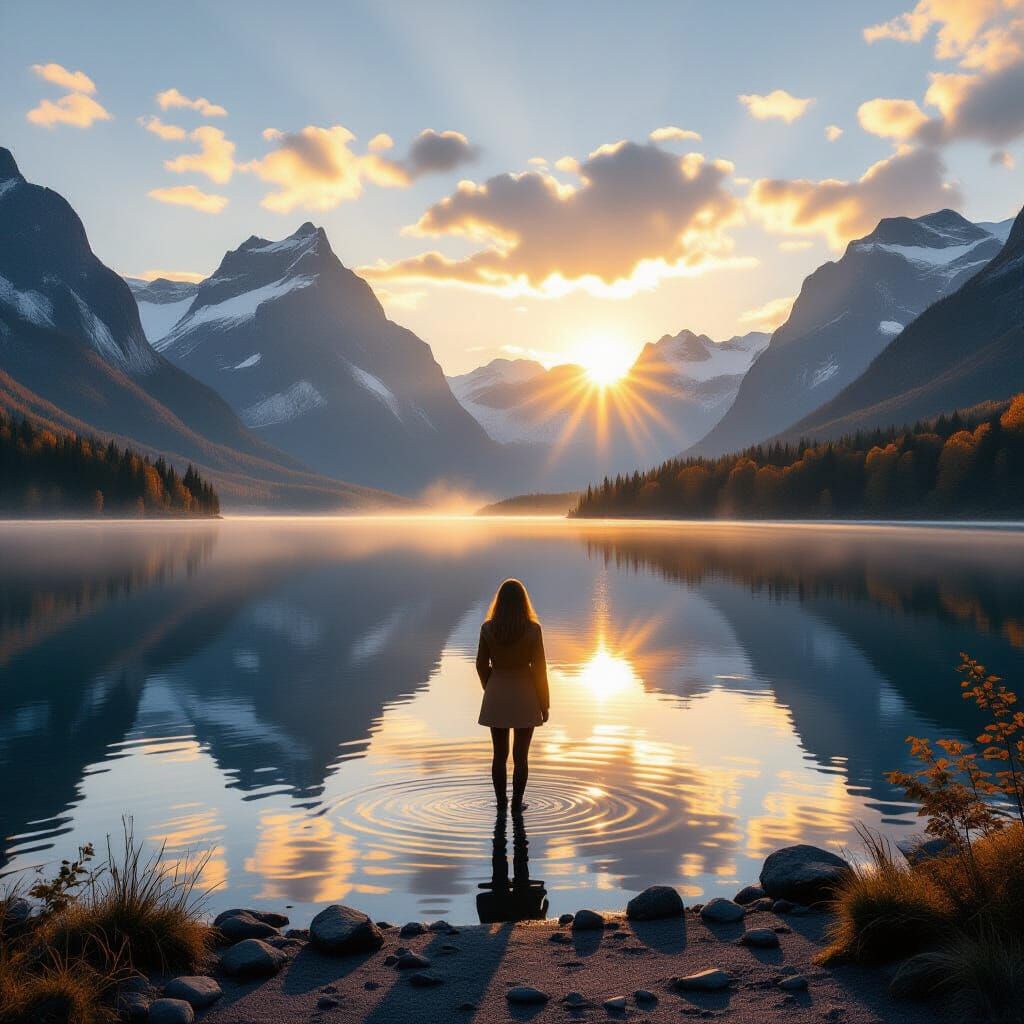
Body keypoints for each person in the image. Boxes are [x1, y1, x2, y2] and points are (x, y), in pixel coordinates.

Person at [476, 578, 549, 812]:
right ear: (523, 602)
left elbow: (480, 665)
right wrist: (544, 703)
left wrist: (491, 686)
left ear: (499, 602)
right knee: (521, 757)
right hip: (526, 696)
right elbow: (540, 670)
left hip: (496, 693)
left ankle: (500, 804)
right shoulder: (533, 630)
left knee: (499, 756)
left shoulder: (488, 629)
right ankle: (517, 804)